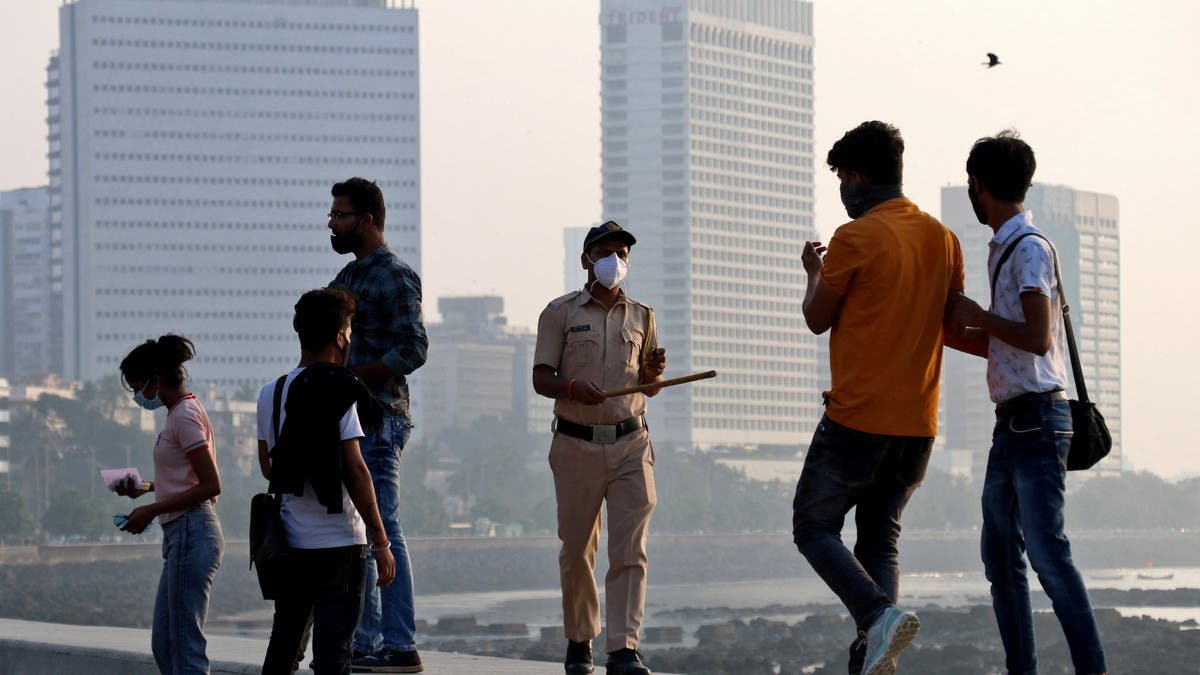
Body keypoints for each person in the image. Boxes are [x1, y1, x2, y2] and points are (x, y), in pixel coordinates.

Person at [792, 121, 964, 675]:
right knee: (880, 537)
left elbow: (818, 318)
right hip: (919, 422)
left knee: (813, 526)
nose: (842, 187)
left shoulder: (856, 237)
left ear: (858, 176)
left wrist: (815, 272)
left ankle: (874, 616)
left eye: (842, 175)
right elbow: (950, 315)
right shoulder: (942, 237)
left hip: (858, 418)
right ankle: (875, 656)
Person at [946, 131, 1108, 675]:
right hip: (1015, 422)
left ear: (980, 186)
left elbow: (1037, 338)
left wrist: (977, 314)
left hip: (1036, 421)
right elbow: (1008, 341)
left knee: (1047, 556)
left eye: (971, 185)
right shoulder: (1007, 247)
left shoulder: (1029, 247)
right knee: (1002, 559)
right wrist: (953, 327)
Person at [532, 221, 667, 675]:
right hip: (576, 443)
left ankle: (623, 648)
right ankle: (579, 639)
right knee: (577, 549)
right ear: (587, 259)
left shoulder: (643, 315)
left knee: (631, 549)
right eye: (607, 252)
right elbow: (541, 378)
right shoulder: (560, 313)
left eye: (624, 254)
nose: (617, 262)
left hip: (632, 442)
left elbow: (649, 388)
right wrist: (572, 387)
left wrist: (655, 374)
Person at [258, 288, 397, 675]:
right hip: (339, 546)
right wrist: (381, 541)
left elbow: (269, 468)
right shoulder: (342, 388)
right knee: (334, 656)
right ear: (341, 336)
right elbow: (355, 470)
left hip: (290, 542)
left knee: (284, 647)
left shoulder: (273, 392)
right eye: (349, 330)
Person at [326, 177, 428, 674]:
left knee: (383, 529)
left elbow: (414, 348)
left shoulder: (395, 277)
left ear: (366, 220)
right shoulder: (347, 278)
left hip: (382, 416)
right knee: (360, 534)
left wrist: (354, 375)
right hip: (349, 420)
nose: (332, 223)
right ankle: (366, 644)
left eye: (340, 215)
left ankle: (400, 644)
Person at [116, 335, 224, 675]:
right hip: (183, 534)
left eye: (137, 388)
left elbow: (211, 485)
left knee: (184, 646)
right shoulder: (179, 414)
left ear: (156, 381)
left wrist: (151, 509)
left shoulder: (184, 417)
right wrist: (147, 489)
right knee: (165, 644)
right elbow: (187, 478)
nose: (138, 397)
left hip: (193, 531)